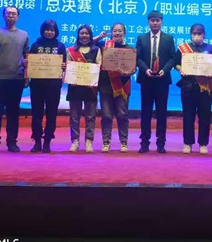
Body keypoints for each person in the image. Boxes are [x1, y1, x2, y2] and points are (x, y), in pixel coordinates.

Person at [0, 6, 29, 153]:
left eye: (13, 14)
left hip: (17, 78)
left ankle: (12, 142)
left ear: (18, 17)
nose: (11, 16)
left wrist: (26, 76)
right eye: (8, 13)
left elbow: (27, 56)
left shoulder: (24, 35)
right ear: (3, 15)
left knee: (13, 113)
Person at [135, 10, 176, 154]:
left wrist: (165, 70)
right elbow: (138, 57)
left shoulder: (168, 38)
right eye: (152, 20)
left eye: (158, 20)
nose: (155, 23)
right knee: (145, 112)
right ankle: (144, 142)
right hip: (146, 79)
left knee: (161, 112)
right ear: (148, 22)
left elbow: (172, 58)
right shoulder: (141, 38)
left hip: (162, 80)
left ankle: (161, 143)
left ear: (162, 22)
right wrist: (145, 69)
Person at [25, 20, 66, 154]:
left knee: (51, 114)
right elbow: (30, 63)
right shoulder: (35, 45)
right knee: (36, 113)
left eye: (52, 30)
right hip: (37, 85)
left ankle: (47, 141)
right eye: (47, 29)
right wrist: (26, 63)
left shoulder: (60, 46)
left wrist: (64, 66)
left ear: (56, 32)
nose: (49, 32)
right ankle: (37, 141)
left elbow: (65, 64)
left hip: (53, 86)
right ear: (42, 31)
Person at [175, 23, 212, 155]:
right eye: (194, 33)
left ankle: (203, 143)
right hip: (188, 86)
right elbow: (176, 63)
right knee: (188, 116)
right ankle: (188, 143)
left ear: (204, 34)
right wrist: (181, 69)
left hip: (205, 88)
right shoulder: (183, 48)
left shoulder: (210, 48)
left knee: (205, 116)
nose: (197, 36)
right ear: (190, 34)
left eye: (199, 33)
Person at [98, 23, 135, 153]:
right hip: (106, 86)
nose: (117, 33)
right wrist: (99, 37)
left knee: (122, 115)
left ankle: (123, 142)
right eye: (115, 31)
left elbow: (133, 69)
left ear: (124, 33)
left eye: (120, 31)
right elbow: (87, 44)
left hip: (122, 86)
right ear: (111, 33)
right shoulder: (104, 45)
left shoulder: (130, 49)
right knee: (106, 115)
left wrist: (126, 73)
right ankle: (106, 142)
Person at [66, 24, 102, 153]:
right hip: (75, 87)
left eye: (87, 33)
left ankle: (89, 141)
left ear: (90, 35)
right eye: (82, 33)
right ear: (78, 35)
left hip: (90, 88)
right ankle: (75, 141)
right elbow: (68, 68)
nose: (84, 36)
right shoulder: (71, 50)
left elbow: (99, 67)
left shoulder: (96, 50)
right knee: (74, 117)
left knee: (90, 117)